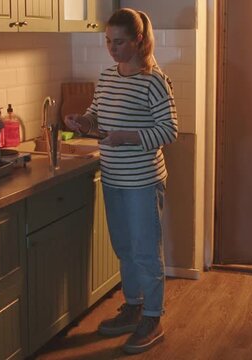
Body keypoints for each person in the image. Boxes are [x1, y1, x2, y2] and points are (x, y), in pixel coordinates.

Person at [64, 7, 178, 355]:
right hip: (113, 178)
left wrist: (126, 136)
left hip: (143, 182)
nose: (112, 49)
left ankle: (153, 318)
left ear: (139, 41)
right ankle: (133, 306)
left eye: (119, 42)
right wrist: (82, 121)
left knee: (146, 253)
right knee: (125, 250)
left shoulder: (153, 81)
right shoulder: (107, 76)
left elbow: (169, 131)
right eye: (108, 42)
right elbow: (97, 113)